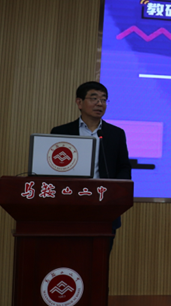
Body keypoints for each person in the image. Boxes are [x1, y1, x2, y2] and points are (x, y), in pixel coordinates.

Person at [51, 81, 131, 251]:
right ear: (79, 102)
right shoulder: (61, 132)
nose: (99, 103)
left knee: (100, 259)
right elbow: (52, 169)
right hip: (70, 206)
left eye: (103, 99)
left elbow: (124, 167)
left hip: (104, 207)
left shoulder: (115, 134)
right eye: (94, 98)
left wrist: (116, 195)